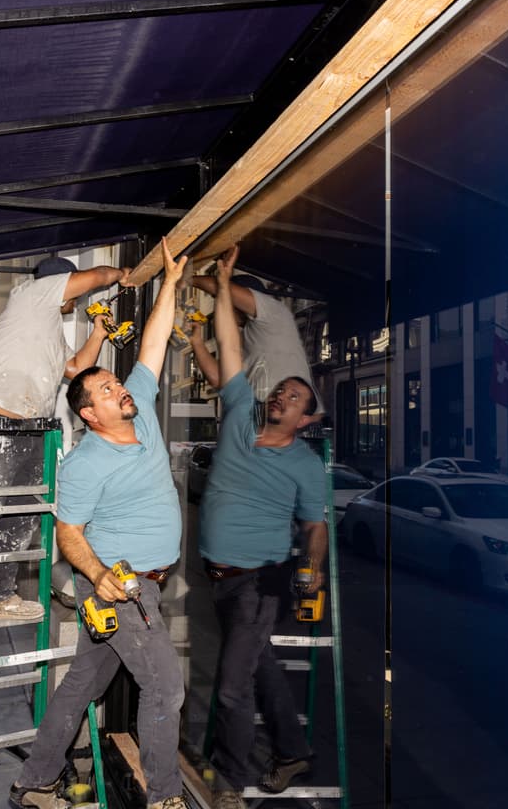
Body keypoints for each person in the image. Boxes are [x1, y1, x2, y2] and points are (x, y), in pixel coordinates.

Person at [9, 239, 189, 809]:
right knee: (165, 687)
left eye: (117, 384)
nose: (120, 389)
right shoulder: (86, 462)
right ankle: (165, 799)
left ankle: (33, 781)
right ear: (89, 414)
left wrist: (171, 284)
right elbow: (69, 533)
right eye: (107, 390)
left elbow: (155, 343)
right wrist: (100, 576)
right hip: (119, 585)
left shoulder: (138, 405)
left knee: (83, 684)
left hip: (145, 585)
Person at [198, 246, 326, 807]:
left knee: (230, 689)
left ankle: (232, 782)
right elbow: (229, 346)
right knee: (263, 667)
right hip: (221, 577)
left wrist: (313, 569)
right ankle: (294, 751)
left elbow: (316, 525)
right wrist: (222, 285)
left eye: (295, 397)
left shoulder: (304, 463)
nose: (282, 396)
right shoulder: (243, 411)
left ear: (306, 419)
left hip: (259, 583)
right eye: (281, 390)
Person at [0, 255, 132, 628]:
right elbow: (96, 276)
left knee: (24, 514)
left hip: (27, 430)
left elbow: (75, 369)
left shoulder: (49, 327)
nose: (77, 303)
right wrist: (119, 276)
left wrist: (98, 331)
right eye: (74, 292)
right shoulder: (31, 295)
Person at [187, 264, 321, 416]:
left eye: (220, 301)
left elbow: (222, 289)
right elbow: (219, 379)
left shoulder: (273, 313)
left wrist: (186, 280)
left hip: (285, 421)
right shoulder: (247, 337)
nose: (220, 307)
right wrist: (197, 341)